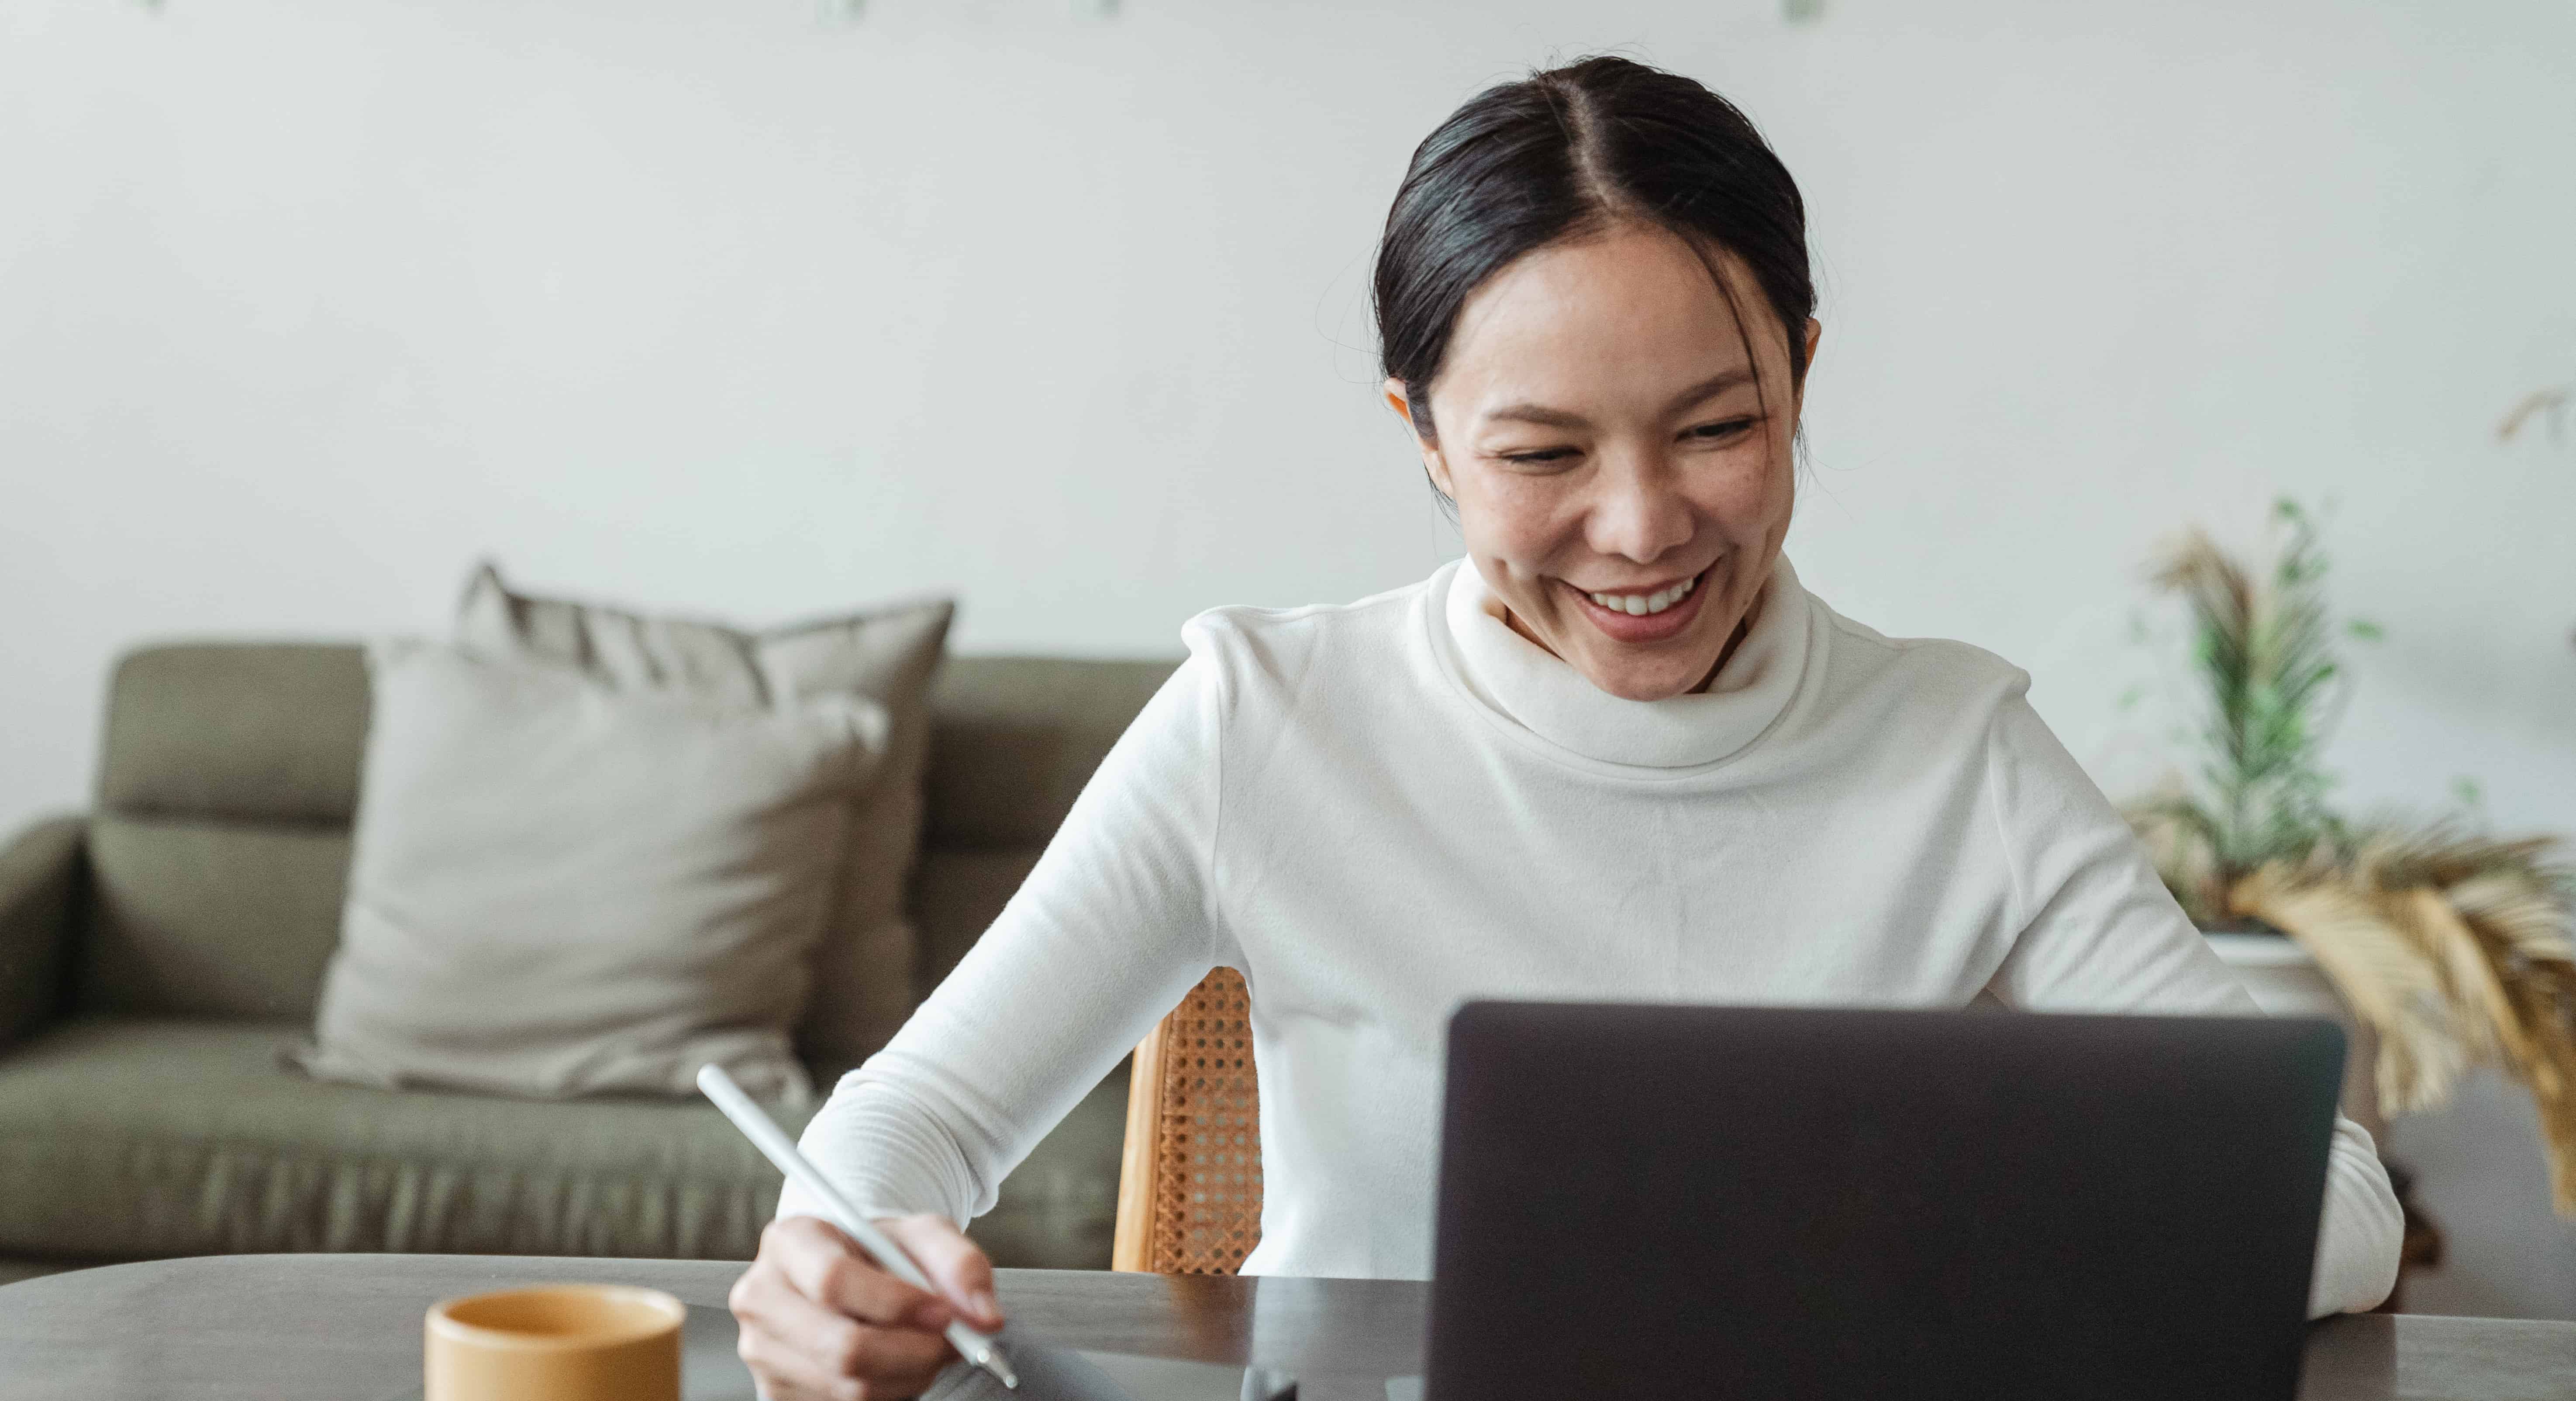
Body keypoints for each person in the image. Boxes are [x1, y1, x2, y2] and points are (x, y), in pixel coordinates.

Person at [727, 55, 2403, 1399]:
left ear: (1801, 376)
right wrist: (838, 1254)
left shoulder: (1954, 749)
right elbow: (909, 1119)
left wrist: (1939, 1237)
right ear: (1427, 438)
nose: (1641, 527)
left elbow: (2330, 1202)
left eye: (1719, 427)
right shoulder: (1267, 721)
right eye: (1540, 455)